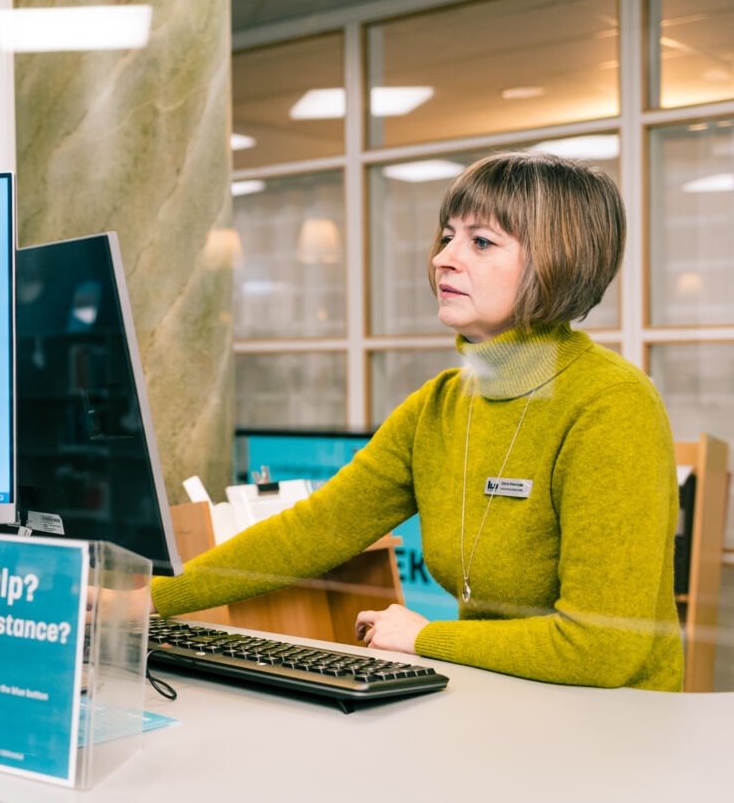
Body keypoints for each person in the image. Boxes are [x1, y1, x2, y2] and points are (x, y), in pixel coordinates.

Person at [153, 151, 684, 691]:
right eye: (448, 236)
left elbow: (602, 648)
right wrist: (145, 601)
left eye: (480, 242)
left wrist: (422, 637)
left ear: (557, 260)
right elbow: (312, 531)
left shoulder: (612, 404)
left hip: (612, 731)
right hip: (496, 702)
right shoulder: (440, 406)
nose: (443, 259)